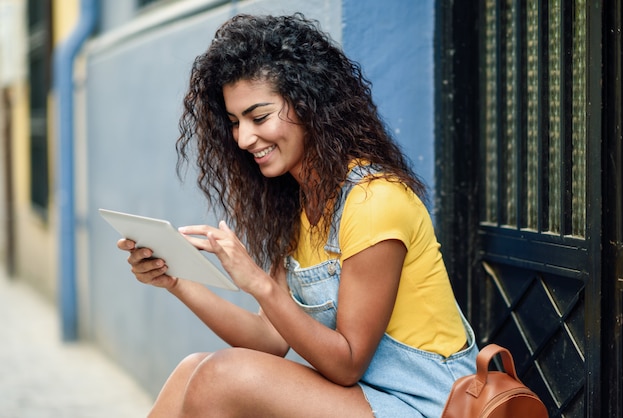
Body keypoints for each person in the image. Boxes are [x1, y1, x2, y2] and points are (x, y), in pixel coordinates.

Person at [117, 13, 478, 418]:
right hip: (365, 397)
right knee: (192, 371)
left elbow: (347, 363)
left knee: (220, 375)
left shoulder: (373, 201)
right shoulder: (297, 205)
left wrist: (257, 282)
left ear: (309, 105)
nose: (243, 138)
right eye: (235, 122)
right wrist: (176, 280)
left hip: (429, 404)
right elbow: (270, 338)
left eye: (259, 117)